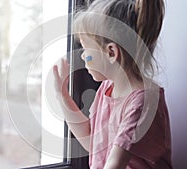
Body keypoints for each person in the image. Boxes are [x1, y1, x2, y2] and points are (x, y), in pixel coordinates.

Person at [53, 0, 172, 168]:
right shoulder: (107, 88)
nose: (82, 56)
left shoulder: (143, 102)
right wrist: (62, 95)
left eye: (86, 49)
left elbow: (115, 163)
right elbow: (90, 139)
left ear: (111, 52)